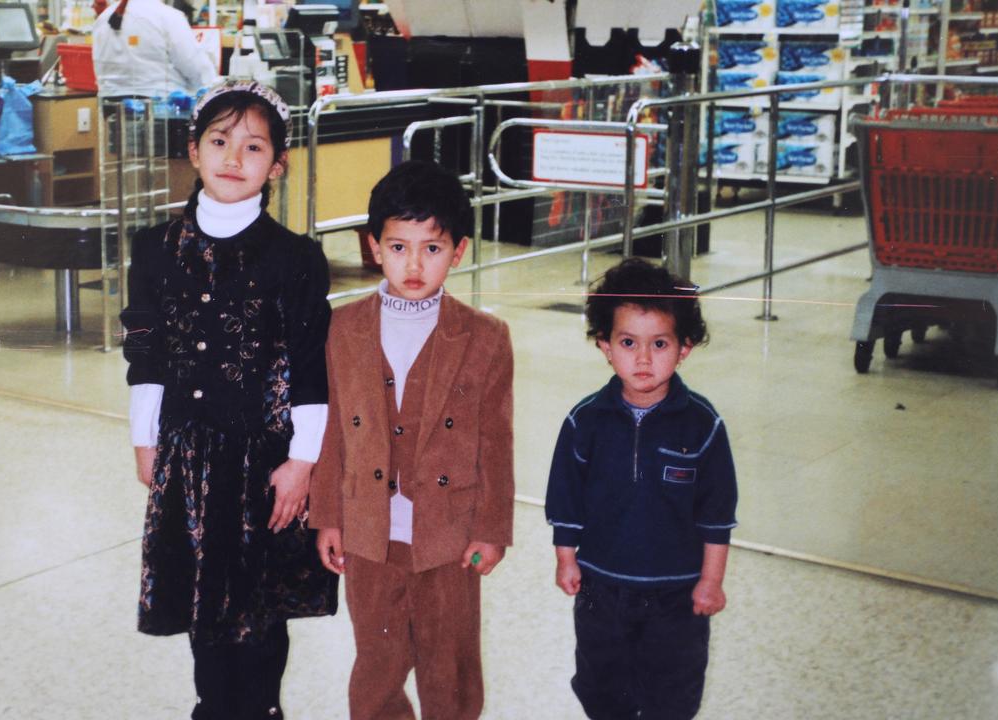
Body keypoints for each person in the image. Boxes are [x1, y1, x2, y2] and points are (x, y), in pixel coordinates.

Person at [120, 80, 337, 720]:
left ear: (278, 164)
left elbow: (308, 366)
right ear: (194, 150)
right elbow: (146, 349)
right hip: (188, 452)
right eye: (219, 141)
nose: (233, 158)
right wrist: (145, 439)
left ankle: (261, 710)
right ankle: (213, 708)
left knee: (259, 605)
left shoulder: (295, 258)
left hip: (266, 460)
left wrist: (303, 460)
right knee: (201, 597)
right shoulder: (154, 249)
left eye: (252, 146)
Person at [309, 160, 516, 720]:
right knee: (376, 658)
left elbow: (496, 441)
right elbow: (332, 431)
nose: (415, 264)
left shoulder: (485, 336)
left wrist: (491, 529)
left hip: (448, 532)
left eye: (433, 247)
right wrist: (328, 514)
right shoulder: (342, 329)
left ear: (460, 251)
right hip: (369, 528)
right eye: (399, 247)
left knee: (449, 661)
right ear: (373, 246)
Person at [545, 258, 739, 720]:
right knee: (600, 684)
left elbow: (717, 513)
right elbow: (565, 498)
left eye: (660, 343)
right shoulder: (585, 421)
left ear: (685, 348)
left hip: (676, 593)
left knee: (672, 692)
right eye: (628, 342)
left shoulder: (703, 425)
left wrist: (711, 581)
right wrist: (566, 558)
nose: (644, 359)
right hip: (600, 586)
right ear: (605, 346)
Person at [92, 0, 218, 98]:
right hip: (162, 114)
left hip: (111, 113)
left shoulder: (103, 19)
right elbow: (197, 69)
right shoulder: (167, 17)